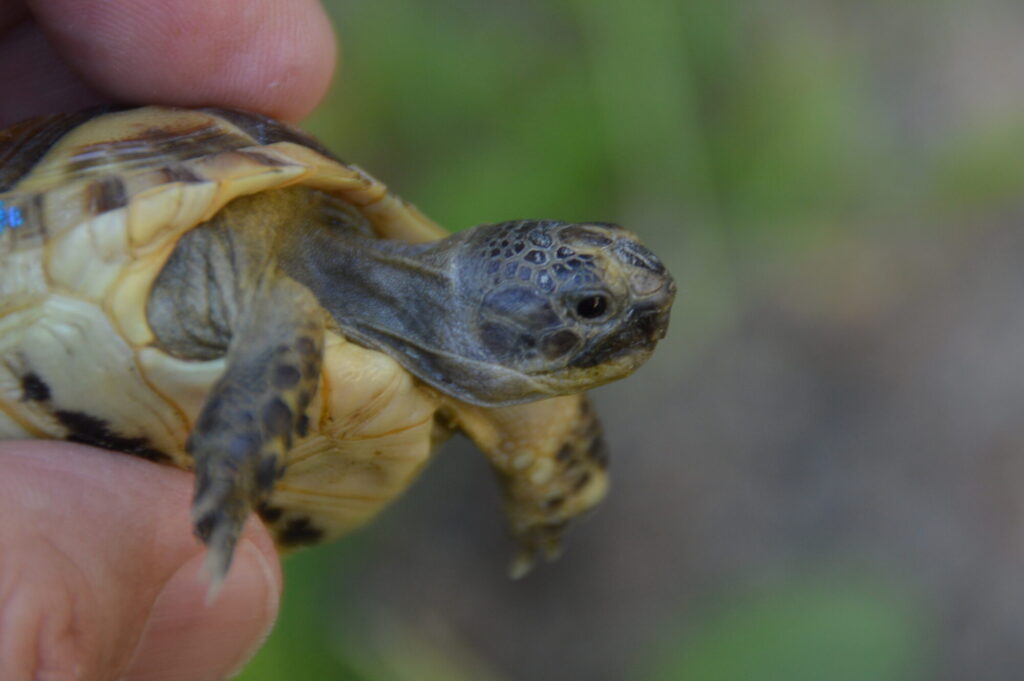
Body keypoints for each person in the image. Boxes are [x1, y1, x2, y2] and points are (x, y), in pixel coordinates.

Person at [0, 1, 337, 679]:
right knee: (285, 313)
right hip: (36, 238)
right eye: (590, 308)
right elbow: (282, 312)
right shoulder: (276, 296)